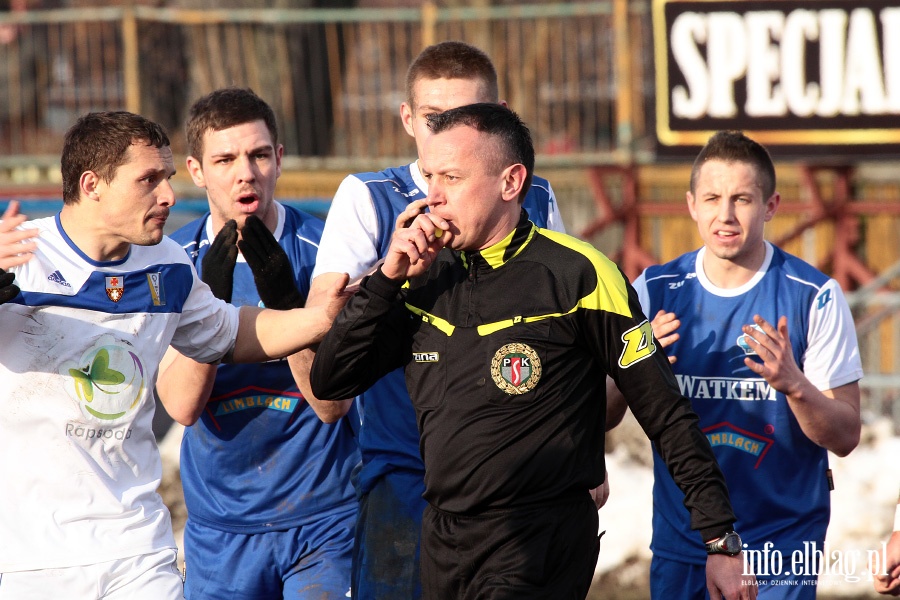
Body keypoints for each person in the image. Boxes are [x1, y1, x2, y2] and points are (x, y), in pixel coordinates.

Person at [310, 102, 756, 599]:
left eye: (452, 178)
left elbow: (665, 411)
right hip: (443, 537)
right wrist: (386, 280)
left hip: (540, 538)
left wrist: (720, 539)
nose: (432, 197)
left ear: (510, 182)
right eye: (430, 177)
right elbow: (331, 381)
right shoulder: (423, 279)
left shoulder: (580, 275)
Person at [0, 111, 347, 600]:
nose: (167, 196)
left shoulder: (166, 263)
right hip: (31, 559)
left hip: (139, 550)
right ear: (92, 183)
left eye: (168, 178)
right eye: (148, 180)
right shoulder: (19, 257)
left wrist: (322, 318)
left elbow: (230, 332)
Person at [307, 40, 571, 599]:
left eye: (468, 116)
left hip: (516, 480)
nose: (450, 132)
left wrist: (581, 458)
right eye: (434, 118)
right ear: (407, 118)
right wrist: (386, 280)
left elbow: (566, 341)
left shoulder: (537, 196)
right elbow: (328, 339)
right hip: (405, 473)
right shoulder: (370, 197)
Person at [607, 130, 863, 598]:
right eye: (712, 198)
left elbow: (845, 436)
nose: (725, 215)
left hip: (780, 545)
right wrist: (635, 367)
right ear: (691, 204)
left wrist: (795, 386)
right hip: (685, 541)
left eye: (742, 199)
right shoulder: (653, 289)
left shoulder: (813, 297)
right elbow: (600, 413)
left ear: (770, 206)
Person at [153, 88, 358, 599]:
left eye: (259, 154)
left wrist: (291, 308)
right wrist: (210, 305)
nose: (246, 172)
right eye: (225, 159)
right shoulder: (172, 263)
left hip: (324, 519)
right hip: (221, 529)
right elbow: (181, 406)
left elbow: (332, 406)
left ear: (279, 159)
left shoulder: (327, 252)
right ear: (197, 171)